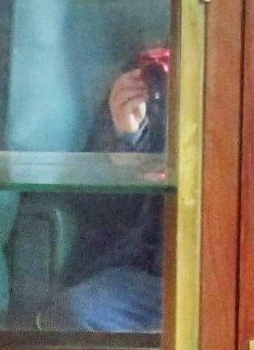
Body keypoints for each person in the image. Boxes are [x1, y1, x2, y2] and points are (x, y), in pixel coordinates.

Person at [34, 50, 168, 334]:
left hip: (231, 288)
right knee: (72, 313)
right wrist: (127, 141)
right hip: (147, 283)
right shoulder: (148, 80)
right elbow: (93, 207)